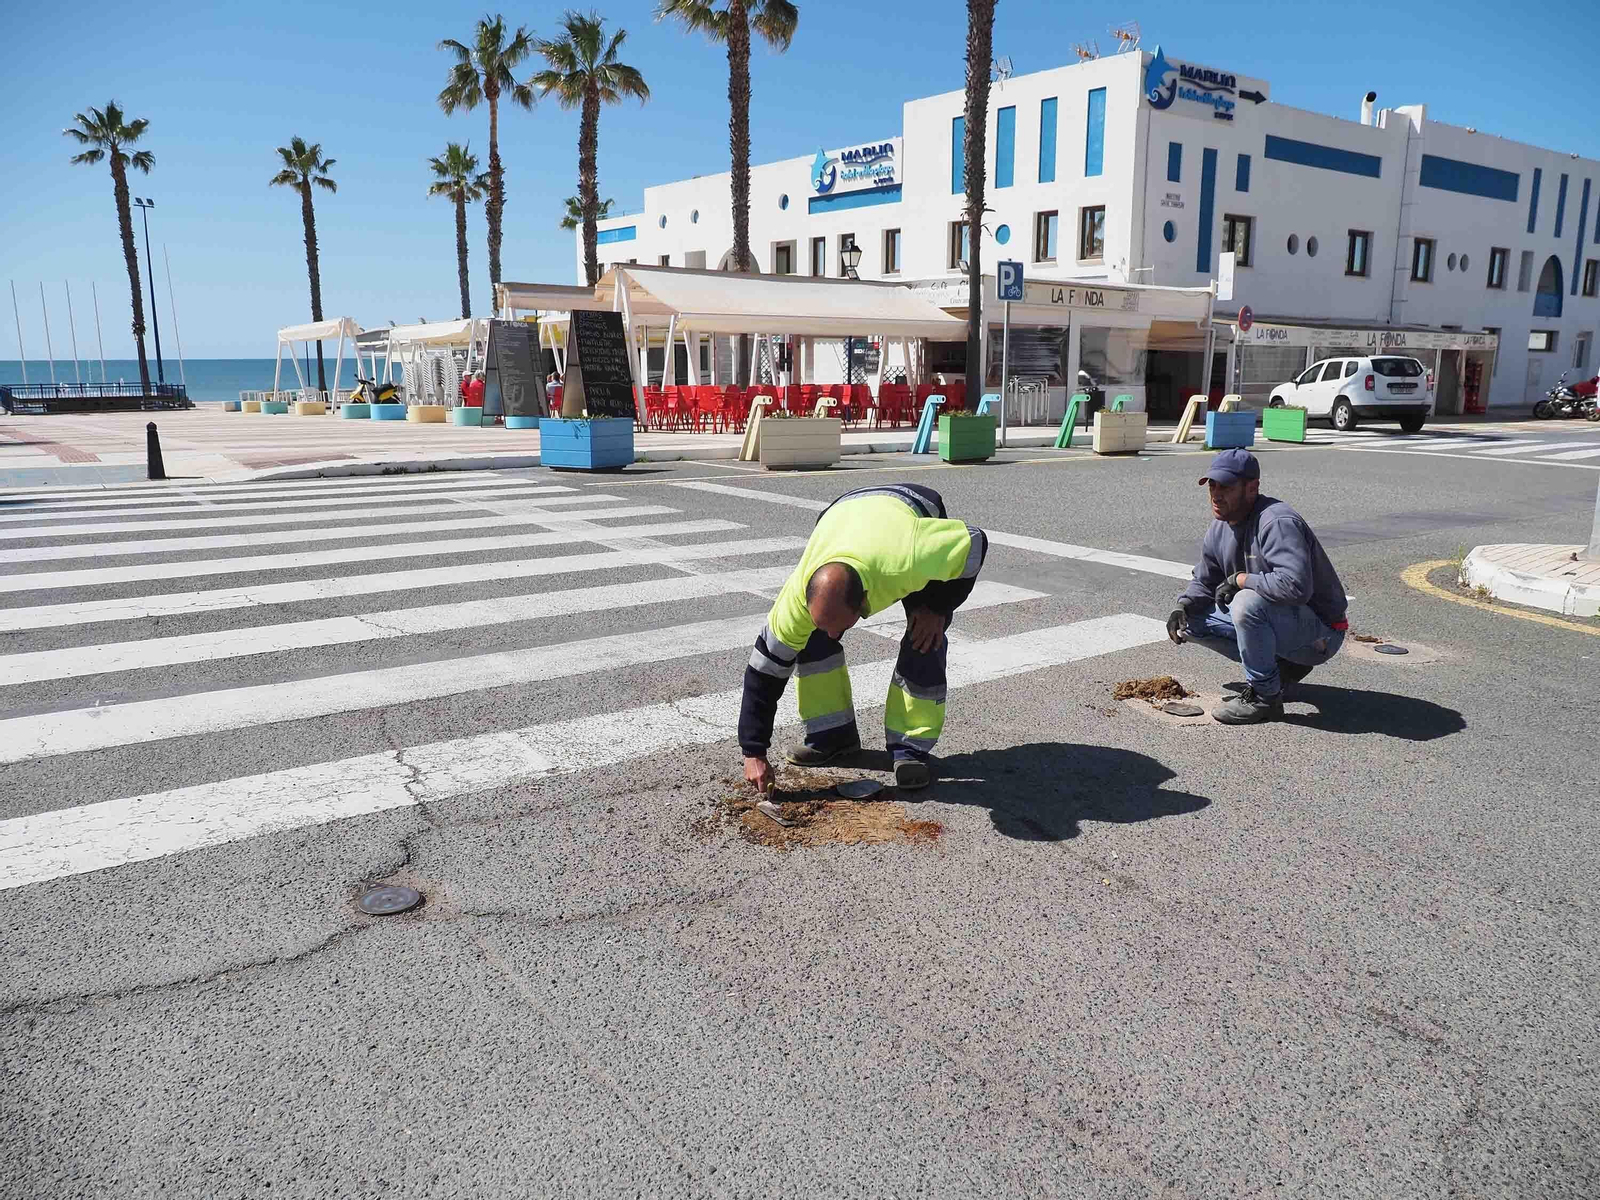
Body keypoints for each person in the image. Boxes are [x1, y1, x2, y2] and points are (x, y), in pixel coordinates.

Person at [740, 484, 988, 792]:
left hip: (909, 507)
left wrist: (938, 607)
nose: (833, 633)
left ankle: (910, 749)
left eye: (839, 625)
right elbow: (763, 673)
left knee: (924, 634)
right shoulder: (796, 600)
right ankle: (832, 736)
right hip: (840, 514)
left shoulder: (908, 556)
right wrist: (753, 751)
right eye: (824, 623)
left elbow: (975, 542)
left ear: (866, 601)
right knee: (811, 637)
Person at [1167, 449, 1348, 724]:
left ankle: (1265, 698)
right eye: (1212, 485)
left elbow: (1295, 586)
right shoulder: (1219, 527)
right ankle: (1281, 668)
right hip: (1282, 622)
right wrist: (1183, 605)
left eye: (1226, 487)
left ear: (1252, 488)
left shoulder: (1277, 522)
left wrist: (1241, 580)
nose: (1216, 494)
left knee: (1246, 602)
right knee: (1191, 619)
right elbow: (1205, 581)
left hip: (1321, 632)